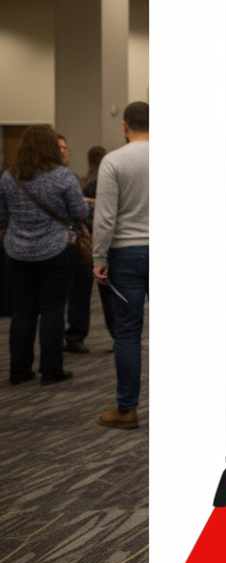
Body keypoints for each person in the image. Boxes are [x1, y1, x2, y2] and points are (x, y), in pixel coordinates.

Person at [0, 125, 89, 385]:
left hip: (17, 250)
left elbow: (2, 216)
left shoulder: (8, 177)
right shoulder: (63, 176)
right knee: (52, 310)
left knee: (23, 311)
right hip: (57, 249)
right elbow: (79, 211)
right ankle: (51, 370)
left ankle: (19, 369)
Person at [93, 104, 150, 429]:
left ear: (125, 125)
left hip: (125, 254)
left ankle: (126, 410)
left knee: (128, 334)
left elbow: (105, 217)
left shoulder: (113, 160)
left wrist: (99, 258)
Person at [64, 139, 103, 354]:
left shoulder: (77, 178)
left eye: (65, 148)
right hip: (70, 240)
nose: (64, 152)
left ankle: (75, 336)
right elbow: (80, 210)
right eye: (59, 148)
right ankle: (71, 336)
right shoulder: (71, 178)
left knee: (79, 292)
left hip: (78, 243)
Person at [79, 146, 116, 347]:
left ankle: (77, 335)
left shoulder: (84, 180)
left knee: (82, 293)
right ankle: (117, 334)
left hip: (85, 239)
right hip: (99, 238)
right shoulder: (102, 179)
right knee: (108, 291)